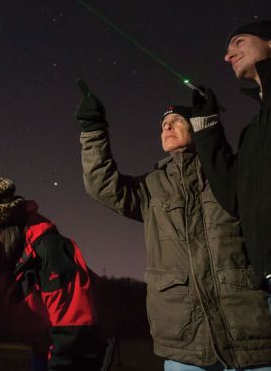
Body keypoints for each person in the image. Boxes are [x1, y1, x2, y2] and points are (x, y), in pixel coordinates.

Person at [76, 79, 271, 371]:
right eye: (163, 124)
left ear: (196, 126)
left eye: (176, 120)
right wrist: (93, 131)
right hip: (185, 343)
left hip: (251, 336)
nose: (166, 127)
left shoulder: (230, 173)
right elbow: (102, 185)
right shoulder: (152, 186)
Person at [0, 177, 108, 371]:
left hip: (85, 346)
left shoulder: (49, 251)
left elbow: (74, 328)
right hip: (42, 345)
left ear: (6, 226)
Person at [189, 20, 271, 305]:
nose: (228, 55)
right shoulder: (254, 131)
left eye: (240, 42)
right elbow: (234, 197)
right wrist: (206, 126)